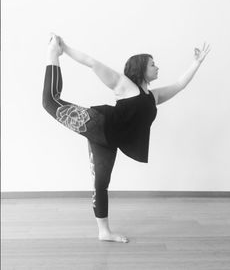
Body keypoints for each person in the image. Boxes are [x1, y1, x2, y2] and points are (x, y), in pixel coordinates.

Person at [42, 33, 211, 243]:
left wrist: (196, 62)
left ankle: (104, 232)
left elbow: (179, 85)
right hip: (98, 123)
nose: (157, 67)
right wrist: (63, 48)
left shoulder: (153, 96)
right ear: (141, 68)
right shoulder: (124, 85)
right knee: (50, 101)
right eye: (152, 64)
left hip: (109, 140)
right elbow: (92, 63)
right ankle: (52, 53)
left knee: (101, 184)